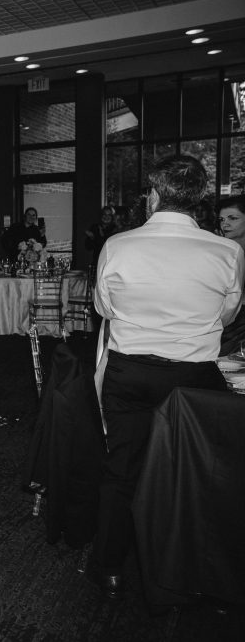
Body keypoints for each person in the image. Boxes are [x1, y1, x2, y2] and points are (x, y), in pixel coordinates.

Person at [87, 156, 244, 599]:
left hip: (131, 372)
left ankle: (110, 566)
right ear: (198, 201)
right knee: (196, 469)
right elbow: (228, 313)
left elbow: (104, 309)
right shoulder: (228, 251)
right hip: (195, 379)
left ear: (153, 196)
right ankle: (193, 564)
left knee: (123, 466)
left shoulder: (118, 245)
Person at [217, 194, 245, 355]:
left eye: (232, 218)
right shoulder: (220, 252)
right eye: (221, 220)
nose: (225, 224)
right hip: (224, 319)